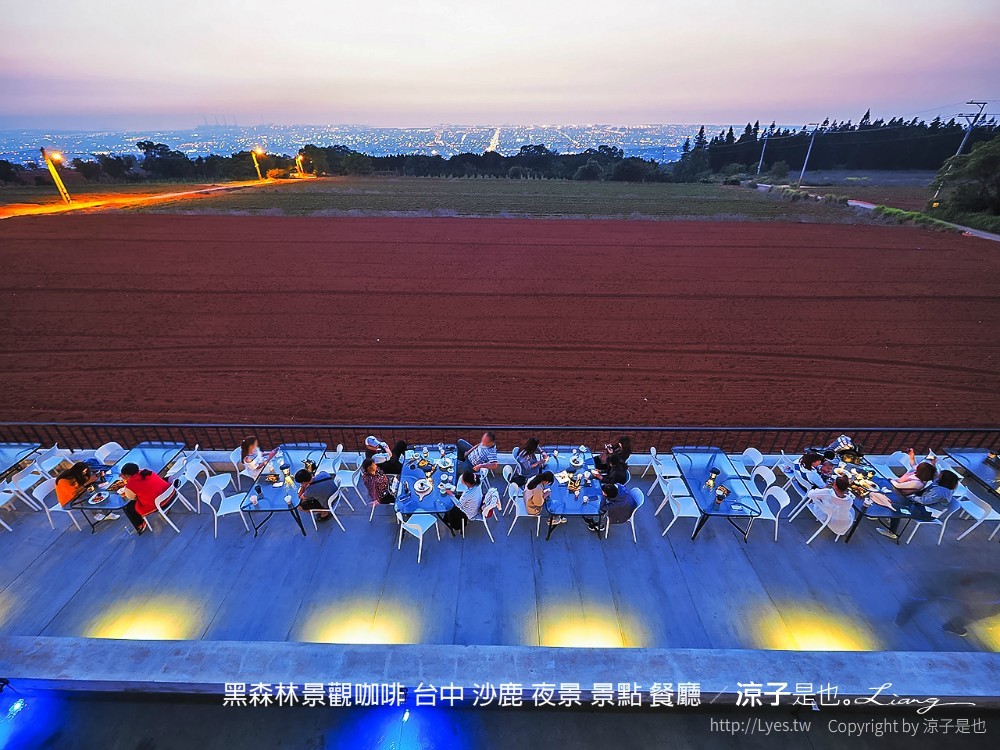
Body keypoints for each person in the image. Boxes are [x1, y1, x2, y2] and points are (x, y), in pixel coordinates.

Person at [879, 469, 960, 540]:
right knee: (897, 500)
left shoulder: (940, 491)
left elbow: (924, 501)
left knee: (897, 508)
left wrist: (911, 496)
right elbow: (933, 473)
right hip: (922, 505)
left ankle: (892, 532)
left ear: (944, 479)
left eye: (940, 475)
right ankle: (891, 518)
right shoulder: (941, 483)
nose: (937, 475)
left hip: (927, 512)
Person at [119, 462, 175, 534]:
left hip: (161, 503)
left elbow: (131, 498)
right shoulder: (146, 472)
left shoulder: (131, 485)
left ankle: (140, 524)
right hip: (170, 493)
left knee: (128, 507)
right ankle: (167, 508)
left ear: (126, 475)